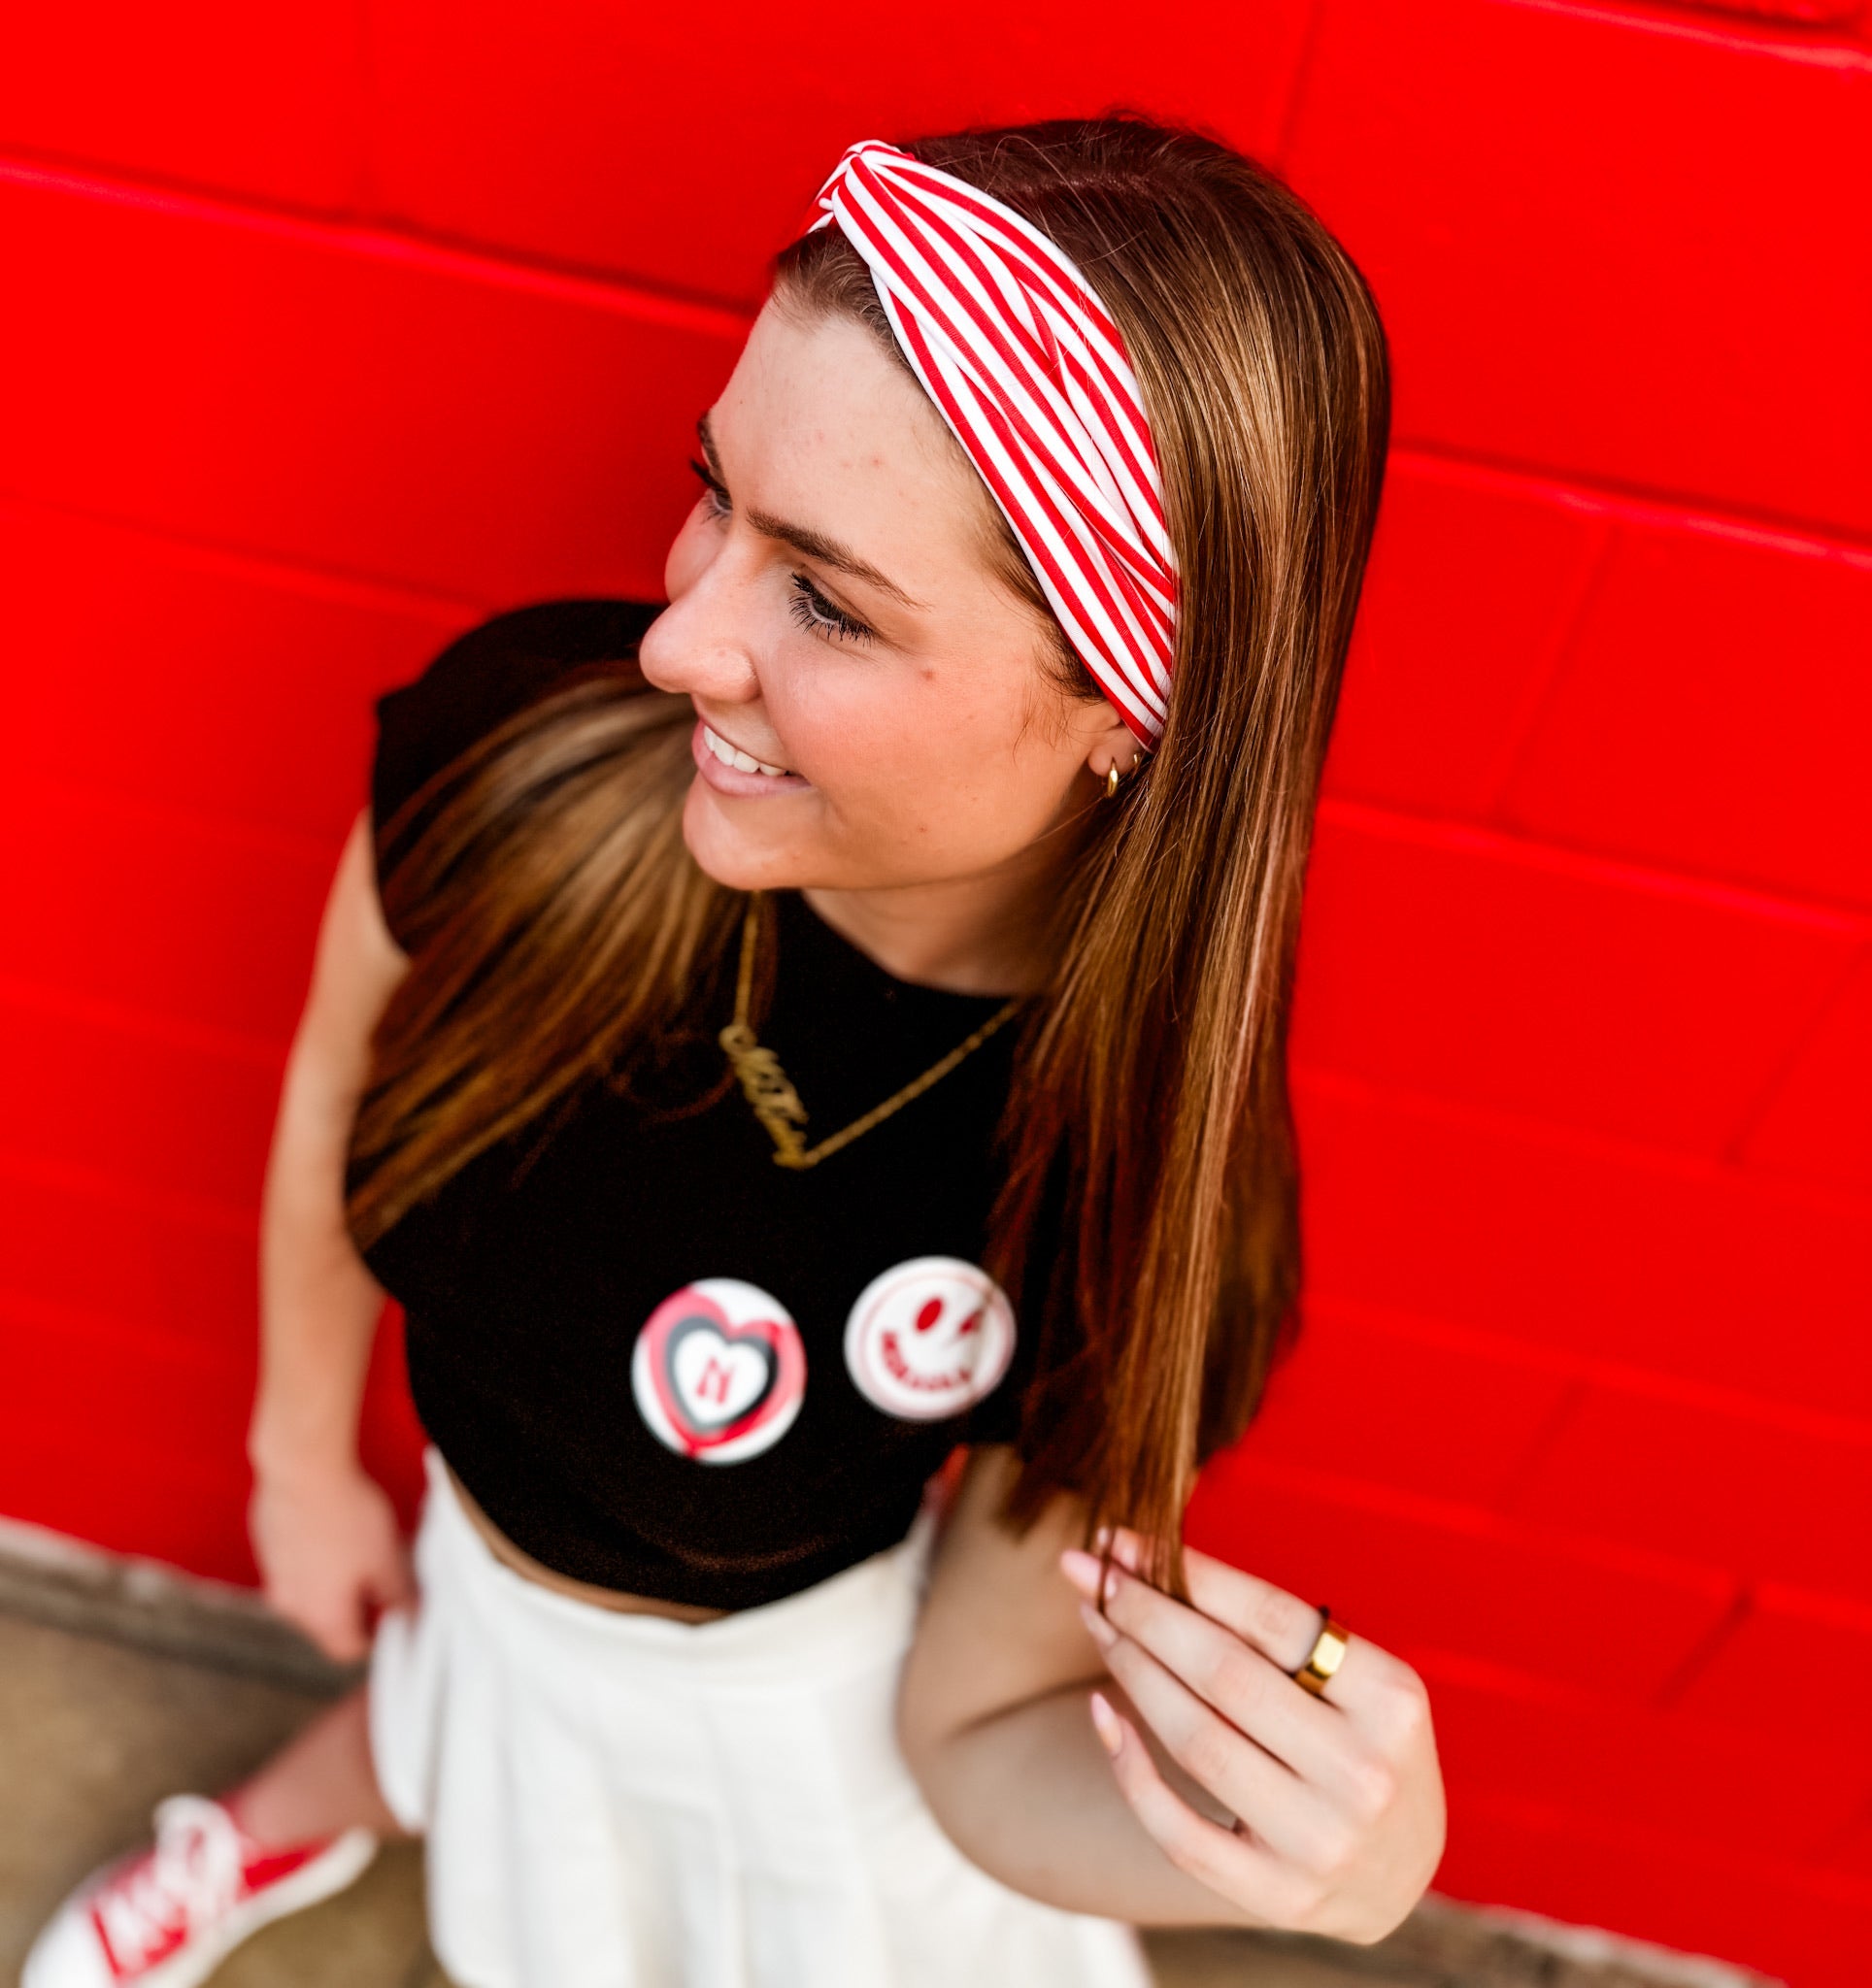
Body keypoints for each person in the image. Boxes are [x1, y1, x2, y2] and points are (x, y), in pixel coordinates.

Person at [25, 120, 1445, 1988]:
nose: (678, 638)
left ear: (1124, 717)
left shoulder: (1120, 1156)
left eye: (830, 600)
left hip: (778, 1775)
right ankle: (286, 1809)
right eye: (716, 495)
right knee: (470, 1701)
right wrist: (302, 1449)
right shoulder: (521, 760)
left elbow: (968, 1745)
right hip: (487, 1598)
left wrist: (1343, 1876)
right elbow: (327, 1087)